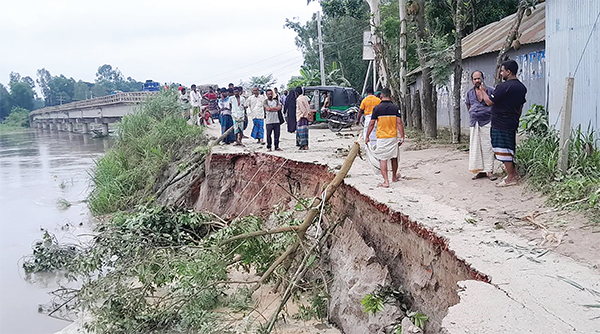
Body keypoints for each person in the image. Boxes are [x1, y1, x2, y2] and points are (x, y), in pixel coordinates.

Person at [479, 60, 527, 187]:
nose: (501, 73)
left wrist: (483, 91)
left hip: (500, 123)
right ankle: (513, 174)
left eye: (502, 70)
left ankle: (511, 177)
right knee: (509, 149)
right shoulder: (521, 87)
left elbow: (489, 102)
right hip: (512, 122)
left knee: (502, 150)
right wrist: (516, 118)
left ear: (508, 71)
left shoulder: (503, 87)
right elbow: (521, 106)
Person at [365, 88, 405, 188]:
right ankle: (394, 177)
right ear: (391, 96)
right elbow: (399, 123)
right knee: (394, 157)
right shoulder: (395, 108)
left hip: (382, 138)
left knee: (383, 159)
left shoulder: (377, 108)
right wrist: (402, 136)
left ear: (381, 96)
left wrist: (367, 136)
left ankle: (386, 181)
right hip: (392, 137)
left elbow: (371, 124)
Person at [466, 71, 497, 181]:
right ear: (472, 81)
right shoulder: (470, 93)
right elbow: (468, 105)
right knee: (476, 147)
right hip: (474, 122)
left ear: (483, 78)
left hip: (487, 121)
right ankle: (480, 171)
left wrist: (483, 92)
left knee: (487, 146)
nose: (477, 81)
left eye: (479, 78)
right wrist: (473, 113)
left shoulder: (491, 90)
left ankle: (489, 171)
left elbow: (492, 104)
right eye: (475, 79)